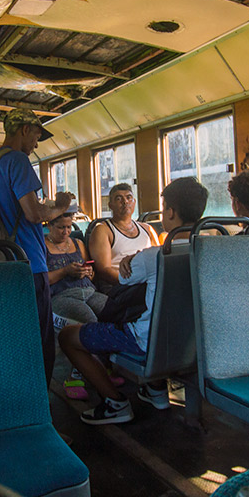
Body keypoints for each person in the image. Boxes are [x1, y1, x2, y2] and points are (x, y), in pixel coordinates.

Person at [58, 176, 208, 425]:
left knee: (67, 336)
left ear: (169, 212)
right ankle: (156, 390)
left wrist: (134, 260)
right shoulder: (213, 251)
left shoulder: (151, 257)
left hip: (147, 341)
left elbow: (129, 280)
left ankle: (115, 402)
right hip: (194, 341)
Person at [0, 108, 74, 382]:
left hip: (4, 260)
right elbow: (34, 215)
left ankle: (17, 392)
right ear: (25, 129)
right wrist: (61, 206)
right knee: (40, 336)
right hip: (29, 262)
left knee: (14, 333)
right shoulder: (17, 160)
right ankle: (41, 401)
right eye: (37, 135)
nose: (37, 144)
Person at [89, 183, 159, 292]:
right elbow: (104, 270)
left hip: (146, 282)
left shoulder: (147, 229)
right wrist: (131, 281)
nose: (125, 202)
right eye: (118, 199)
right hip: (118, 285)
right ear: (110, 205)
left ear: (134, 202)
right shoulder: (103, 230)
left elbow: (157, 258)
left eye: (129, 198)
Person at [45, 213, 106, 323]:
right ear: (49, 225)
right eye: (61, 227)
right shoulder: (43, 246)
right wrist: (65, 271)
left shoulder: (78, 243)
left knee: (115, 311)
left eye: (69, 227)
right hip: (61, 295)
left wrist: (88, 272)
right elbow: (42, 279)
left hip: (88, 292)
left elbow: (92, 275)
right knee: (90, 321)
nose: (66, 232)